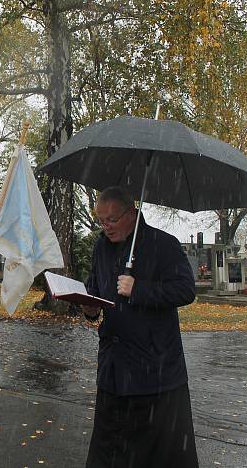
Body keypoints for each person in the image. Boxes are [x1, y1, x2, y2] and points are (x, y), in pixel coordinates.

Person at [82, 186, 198, 468]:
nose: (106, 227)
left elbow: (185, 290)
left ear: (132, 213)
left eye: (112, 219)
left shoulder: (163, 244)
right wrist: (89, 308)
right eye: (101, 220)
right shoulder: (101, 246)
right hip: (113, 370)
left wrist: (139, 290)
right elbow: (94, 287)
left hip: (154, 373)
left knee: (155, 456)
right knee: (110, 453)